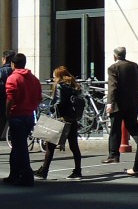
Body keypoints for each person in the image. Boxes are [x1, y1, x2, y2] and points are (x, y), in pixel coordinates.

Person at [34, 66, 85, 181]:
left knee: (50, 146)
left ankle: (44, 171)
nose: (53, 78)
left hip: (61, 119)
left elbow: (59, 102)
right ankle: (78, 171)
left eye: (54, 76)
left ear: (58, 76)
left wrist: (51, 108)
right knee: (74, 146)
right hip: (72, 119)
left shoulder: (60, 86)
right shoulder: (74, 86)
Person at [4, 53, 41, 187]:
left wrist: (7, 112)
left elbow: (10, 97)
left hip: (17, 115)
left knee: (20, 147)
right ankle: (14, 174)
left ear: (13, 64)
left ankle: (26, 175)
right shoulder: (33, 79)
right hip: (29, 115)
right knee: (18, 146)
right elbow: (39, 97)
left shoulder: (13, 78)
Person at [104, 46, 138, 164]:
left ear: (115, 56)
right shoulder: (134, 66)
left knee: (115, 130)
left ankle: (113, 155)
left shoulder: (113, 67)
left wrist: (109, 102)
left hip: (118, 104)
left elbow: (112, 87)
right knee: (133, 127)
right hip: (132, 102)